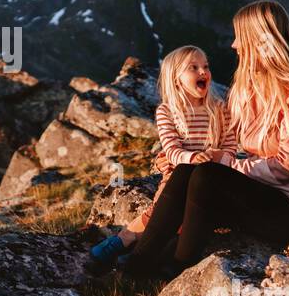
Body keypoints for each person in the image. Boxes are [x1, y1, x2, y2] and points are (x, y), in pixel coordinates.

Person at [123, 0, 289, 277]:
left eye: (240, 38)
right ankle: (138, 266)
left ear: (260, 41)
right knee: (188, 171)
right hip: (256, 190)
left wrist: (226, 163)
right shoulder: (249, 83)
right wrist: (183, 155)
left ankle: (176, 270)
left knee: (208, 177)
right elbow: (225, 140)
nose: (234, 45)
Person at [87, 45, 236, 275]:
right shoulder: (168, 111)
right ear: (176, 80)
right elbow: (171, 149)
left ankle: (137, 247)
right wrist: (193, 157)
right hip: (178, 174)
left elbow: (230, 149)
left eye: (206, 66)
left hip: (210, 178)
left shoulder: (220, 109)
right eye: (193, 68)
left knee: (189, 218)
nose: (203, 72)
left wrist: (214, 156)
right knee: (163, 212)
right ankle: (125, 241)